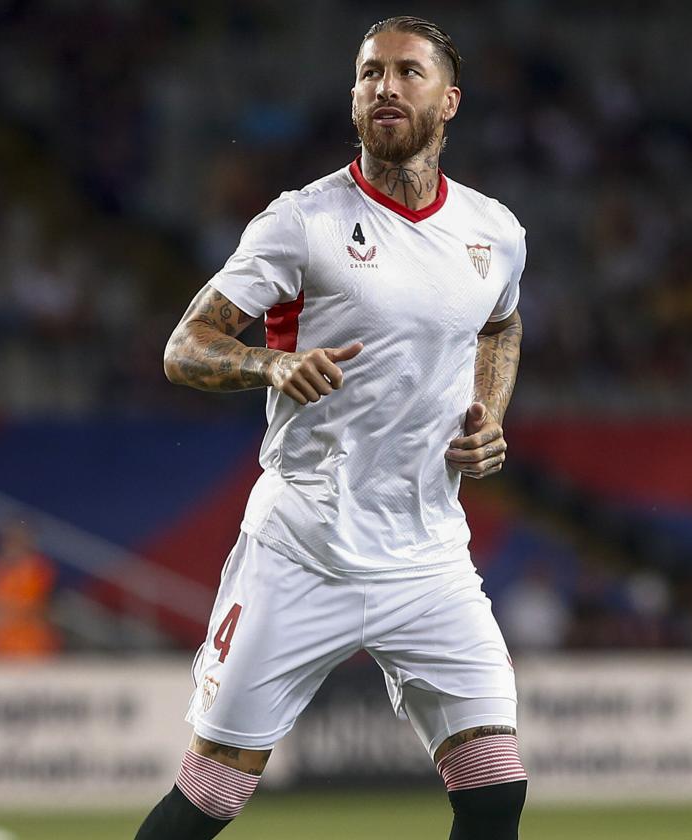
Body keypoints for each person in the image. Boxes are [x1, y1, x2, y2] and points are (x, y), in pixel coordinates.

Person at [135, 16, 527, 840]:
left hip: (427, 559)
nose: (386, 86)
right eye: (370, 73)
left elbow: (500, 325)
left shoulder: (495, 232)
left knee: (495, 793)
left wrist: (489, 410)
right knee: (208, 800)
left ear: (448, 100)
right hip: (303, 548)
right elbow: (186, 347)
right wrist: (268, 365)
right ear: (353, 97)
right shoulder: (301, 222)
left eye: (408, 73)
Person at [0, 519, 59, 658]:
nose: (13, 544)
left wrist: (5, 611)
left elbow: (39, 607)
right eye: (10, 538)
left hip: (31, 646)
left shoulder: (38, 568)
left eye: (19, 539)